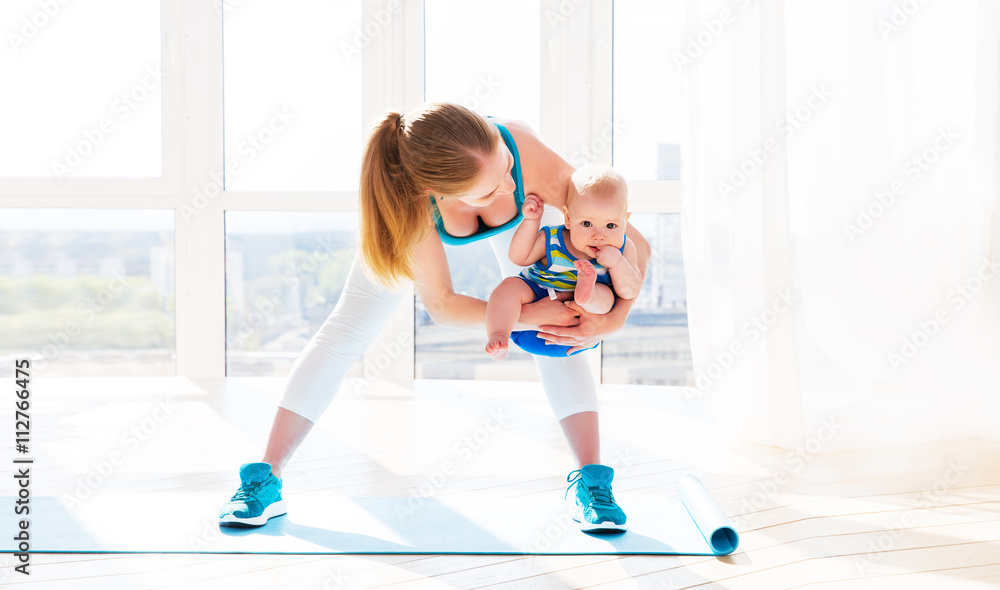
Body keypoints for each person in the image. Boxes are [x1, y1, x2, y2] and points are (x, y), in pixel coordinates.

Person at [218, 102, 651, 533]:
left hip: (527, 233)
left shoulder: (525, 158)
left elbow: (636, 245)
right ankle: (265, 478)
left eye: (505, 171)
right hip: (418, 220)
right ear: (434, 192)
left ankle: (591, 482)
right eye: (488, 190)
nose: (507, 187)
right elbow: (442, 303)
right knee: (347, 328)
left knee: (563, 324)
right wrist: (524, 314)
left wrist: (609, 321)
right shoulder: (407, 200)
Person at [485, 164, 642, 361]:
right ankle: (498, 335)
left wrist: (617, 262)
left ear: (625, 221)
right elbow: (518, 258)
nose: (599, 236)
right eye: (586, 224)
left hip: (582, 324)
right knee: (509, 286)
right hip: (535, 300)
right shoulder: (553, 239)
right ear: (568, 218)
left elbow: (629, 291)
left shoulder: (624, 248)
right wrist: (531, 221)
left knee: (607, 298)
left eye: (611, 225)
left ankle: (588, 295)